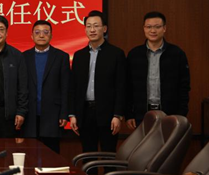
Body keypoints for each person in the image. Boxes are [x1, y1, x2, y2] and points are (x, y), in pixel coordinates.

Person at [69, 11, 126, 153]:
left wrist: (117, 115)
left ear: (104, 29)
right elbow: (73, 87)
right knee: (88, 155)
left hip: (108, 114)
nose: (92, 30)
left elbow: (121, 86)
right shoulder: (79, 55)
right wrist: (72, 114)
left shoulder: (116, 54)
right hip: (84, 113)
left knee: (108, 154)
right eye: (88, 26)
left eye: (96, 26)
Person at [126, 11, 190, 129]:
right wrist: (129, 114)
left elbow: (184, 86)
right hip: (141, 114)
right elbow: (128, 86)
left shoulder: (177, 54)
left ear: (164, 28)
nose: (153, 31)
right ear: (144, 29)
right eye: (148, 27)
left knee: (168, 141)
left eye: (157, 27)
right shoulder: (134, 55)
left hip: (170, 114)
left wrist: (181, 113)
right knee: (144, 141)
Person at [22, 20, 70, 153]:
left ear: (51, 36)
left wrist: (64, 113)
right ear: (32, 36)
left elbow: (65, 87)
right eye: (37, 32)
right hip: (29, 115)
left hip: (53, 115)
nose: (41, 35)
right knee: (30, 154)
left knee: (51, 154)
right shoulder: (24, 57)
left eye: (45, 32)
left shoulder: (61, 57)